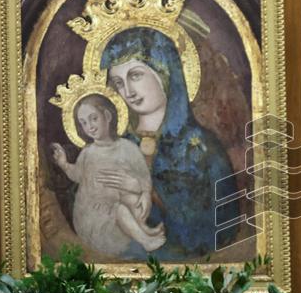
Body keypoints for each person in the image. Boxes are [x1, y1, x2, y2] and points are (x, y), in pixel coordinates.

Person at [99, 27, 239, 260]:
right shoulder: (117, 146)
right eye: (118, 82)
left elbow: (221, 228)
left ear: (164, 72)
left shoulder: (203, 149)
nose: (128, 91)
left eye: (135, 76)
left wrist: (150, 191)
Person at [51, 94, 166, 256]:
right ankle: (145, 240)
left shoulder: (128, 148)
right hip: (93, 214)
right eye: (83, 123)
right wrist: (64, 164)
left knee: (133, 200)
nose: (89, 126)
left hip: (116, 204)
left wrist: (145, 193)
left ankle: (145, 230)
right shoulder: (88, 153)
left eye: (93, 119)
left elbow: (143, 176)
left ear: (107, 116)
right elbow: (77, 175)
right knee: (120, 209)